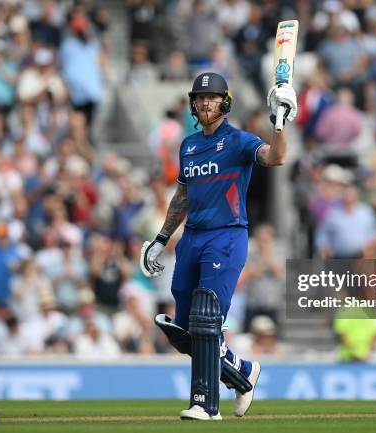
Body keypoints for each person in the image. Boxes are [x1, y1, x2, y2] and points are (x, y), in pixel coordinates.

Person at [140, 72, 296, 420]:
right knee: (183, 331)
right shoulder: (189, 146)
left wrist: (281, 121)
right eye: (200, 98)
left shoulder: (239, 141)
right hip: (191, 238)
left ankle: (205, 405)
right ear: (193, 104)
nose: (205, 103)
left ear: (224, 101)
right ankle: (241, 373)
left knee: (207, 318)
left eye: (212, 97)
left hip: (226, 236)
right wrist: (161, 238)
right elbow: (181, 196)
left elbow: (275, 158)